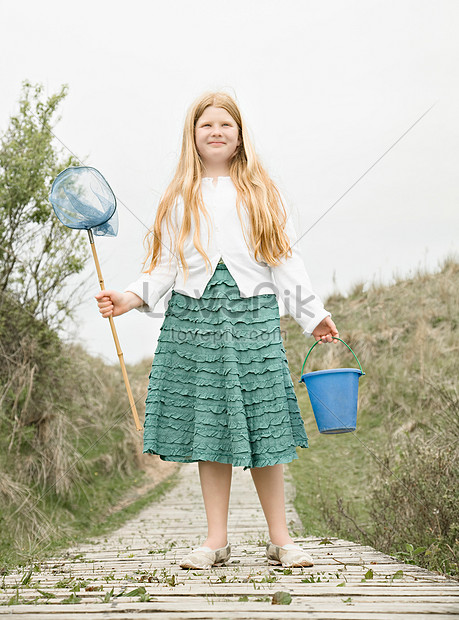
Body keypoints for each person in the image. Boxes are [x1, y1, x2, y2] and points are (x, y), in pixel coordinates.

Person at [95, 91, 339, 570]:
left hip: (255, 319)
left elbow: (285, 261)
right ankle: (215, 541)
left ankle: (282, 540)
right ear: (193, 135)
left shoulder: (264, 193)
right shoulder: (177, 197)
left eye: (226, 124)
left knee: (265, 426)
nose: (217, 131)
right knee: (212, 430)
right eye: (206, 124)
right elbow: (164, 268)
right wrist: (128, 296)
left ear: (240, 134)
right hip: (195, 319)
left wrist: (313, 315)